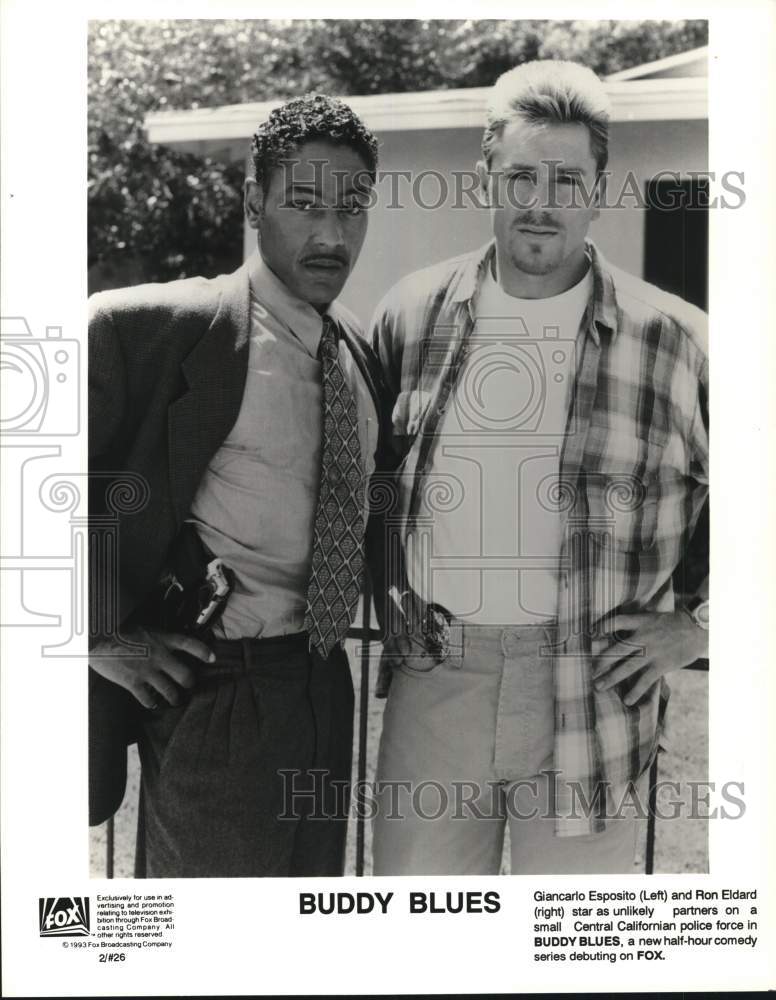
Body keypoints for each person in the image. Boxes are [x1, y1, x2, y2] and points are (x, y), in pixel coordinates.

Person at [369, 60, 709, 875]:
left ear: (599, 187)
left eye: (565, 177)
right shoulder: (411, 314)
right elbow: (368, 480)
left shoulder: (677, 340)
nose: (540, 200)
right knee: (425, 945)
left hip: (596, 696)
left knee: (568, 953)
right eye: (520, 173)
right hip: (437, 679)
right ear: (485, 174)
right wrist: (384, 588)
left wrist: (698, 628)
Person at [88, 93, 386, 877]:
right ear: (254, 202)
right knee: (210, 953)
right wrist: (90, 634)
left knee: (302, 946)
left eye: (352, 207)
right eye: (304, 203)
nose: (332, 233)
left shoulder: (356, 345)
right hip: (214, 688)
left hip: (325, 682)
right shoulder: (149, 326)